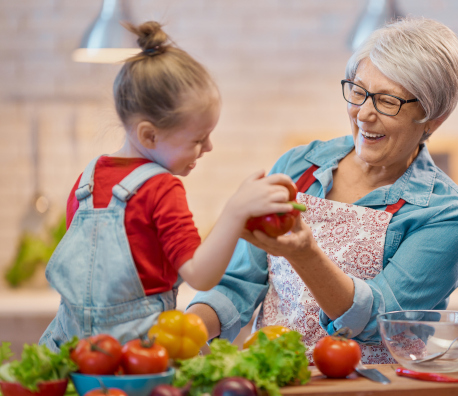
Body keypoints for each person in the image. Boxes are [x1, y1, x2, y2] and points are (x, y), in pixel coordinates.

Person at [186, 17, 458, 363]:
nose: (363, 114)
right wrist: (182, 331)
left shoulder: (444, 213)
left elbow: (378, 320)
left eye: (387, 101)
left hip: (374, 386)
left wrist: (305, 254)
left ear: (433, 117)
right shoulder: (298, 167)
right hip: (280, 378)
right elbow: (237, 285)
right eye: (358, 91)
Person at [39, 21, 295, 351]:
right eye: (198, 139)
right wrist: (235, 211)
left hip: (74, 352)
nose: (209, 148)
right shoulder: (161, 188)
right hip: (137, 356)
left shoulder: (86, 180)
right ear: (149, 135)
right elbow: (199, 275)